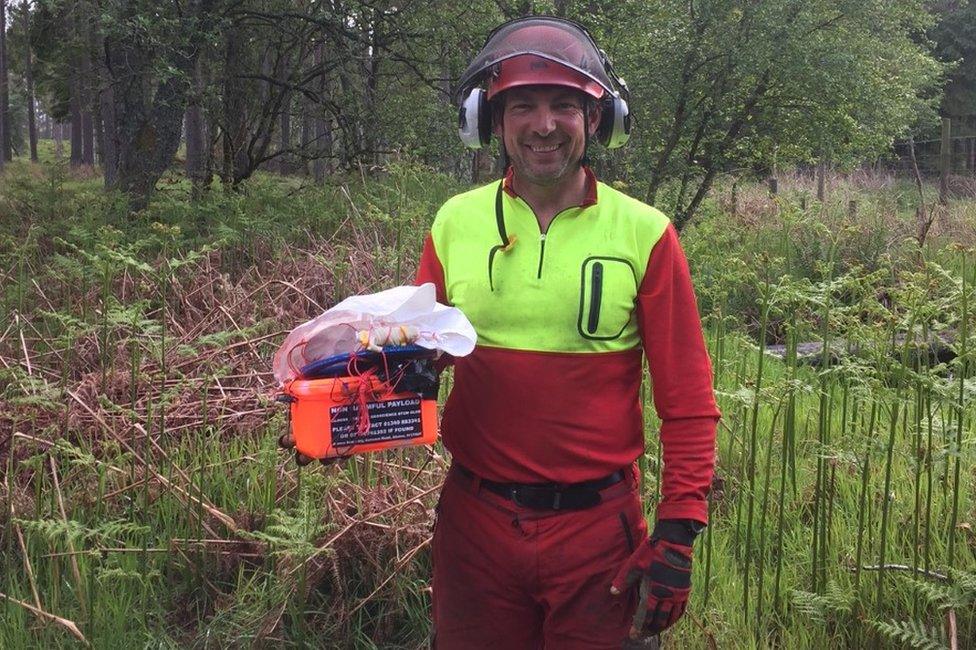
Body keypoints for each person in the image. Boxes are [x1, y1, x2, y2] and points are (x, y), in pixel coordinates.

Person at [415, 16, 720, 649]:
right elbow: (419, 361)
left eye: (565, 105)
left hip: (598, 537)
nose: (544, 124)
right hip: (475, 528)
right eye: (522, 104)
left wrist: (679, 531)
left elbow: (687, 399)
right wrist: (340, 399)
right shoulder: (454, 223)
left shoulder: (646, 233)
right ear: (490, 123)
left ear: (598, 121)